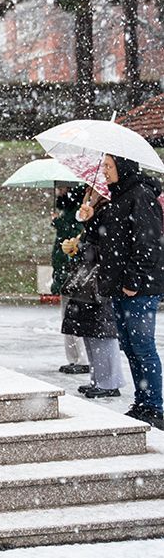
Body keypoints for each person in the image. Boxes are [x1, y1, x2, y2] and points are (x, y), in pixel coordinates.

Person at [74, 154, 164, 429]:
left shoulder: (140, 195)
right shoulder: (117, 196)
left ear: (123, 166)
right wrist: (88, 217)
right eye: (105, 166)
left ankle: (155, 406)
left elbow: (148, 242)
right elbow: (104, 237)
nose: (105, 170)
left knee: (142, 347)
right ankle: (142, 401)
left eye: (109, 166)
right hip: (119, 286)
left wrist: (134, 281)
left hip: (139, 287)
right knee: (128, 345)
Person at [60, 192, 124, 398]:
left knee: (102, 331)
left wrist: (81, 247)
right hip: (91, 279)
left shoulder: (110, 209)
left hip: (101, 280)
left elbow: (106, 247)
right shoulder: (96, 209)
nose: (89, 192)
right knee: (90, 330)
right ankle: (99, 379)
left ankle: (109, 381)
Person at [52, 184, 90, 374]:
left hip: (73, 273)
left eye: (62, 189)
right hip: (65, 272)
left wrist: (59, 224)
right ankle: (74, 358)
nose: (58, 192)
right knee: (67, 317)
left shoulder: (77, 213)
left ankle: (81, 358)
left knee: (75, 316)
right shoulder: (68, 211)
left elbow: (72, 238)